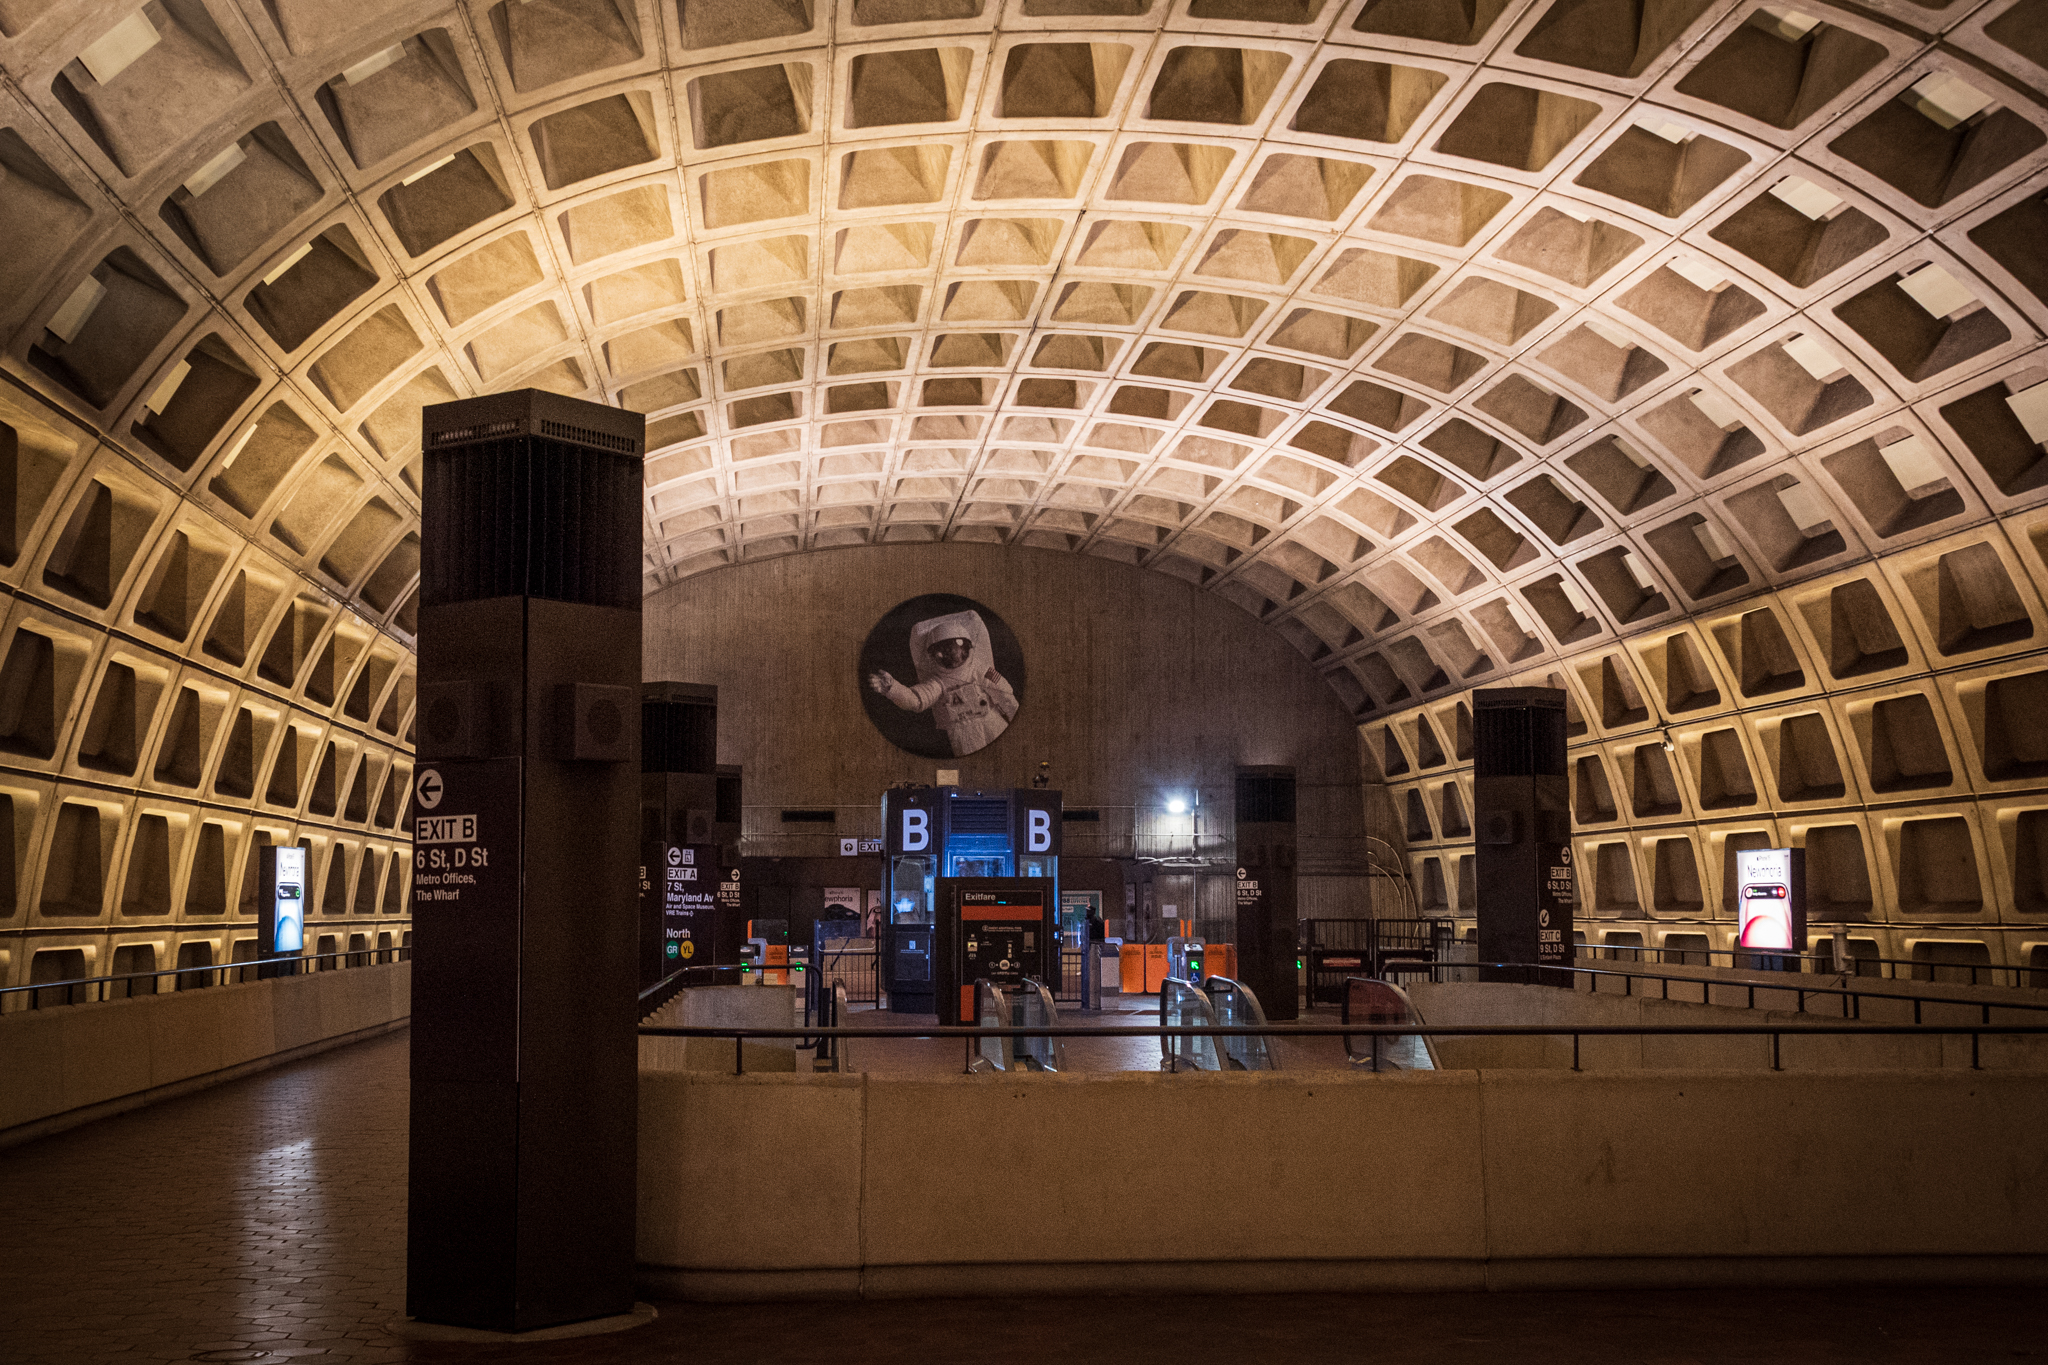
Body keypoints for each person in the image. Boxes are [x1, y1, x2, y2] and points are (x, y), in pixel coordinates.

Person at [867, 608, 1018, 756]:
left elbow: (1005, 695)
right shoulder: (937, 682)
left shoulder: (981, 671)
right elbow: (915, 699)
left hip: (993, 724)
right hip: (964, 738)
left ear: (965, 649)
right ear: (934, 655)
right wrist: (893, 689)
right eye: (942, 651)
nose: (949, 656)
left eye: (952, 649)